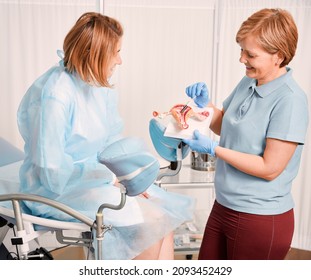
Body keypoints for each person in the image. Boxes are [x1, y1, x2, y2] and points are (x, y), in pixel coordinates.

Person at [17, 12, 194, 260]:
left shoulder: (98, 85)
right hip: (56, 190)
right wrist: (107, 177)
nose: (120, 60)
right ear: (95, 54)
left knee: (164, 218)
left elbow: (111, 139)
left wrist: (126, 177)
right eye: (117, 52)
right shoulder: (56, 95)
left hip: (93, 180)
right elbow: (51, 171)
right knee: (150, 223)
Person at [183, 8, 309, 260]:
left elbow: (270, 168)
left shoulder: (290, 101)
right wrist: (206, 107)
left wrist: (213, 149)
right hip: (224, 206)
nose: (242, 59)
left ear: (279, 56)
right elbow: (224, 126)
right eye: (241, 50)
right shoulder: (249, 81)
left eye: (250, 54)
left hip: (260, 217)